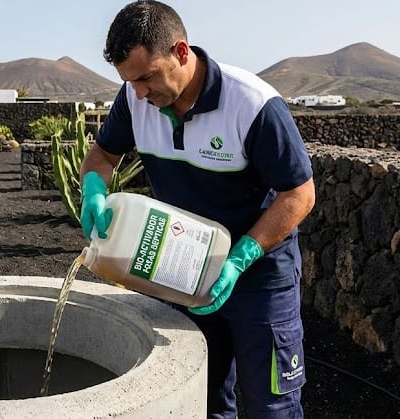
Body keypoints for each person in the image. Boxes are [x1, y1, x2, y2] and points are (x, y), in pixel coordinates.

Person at [79, 1, 316, 418]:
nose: (138, 92)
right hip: (184, 272)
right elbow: (102, 153)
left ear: (181, 52)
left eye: (146, 77)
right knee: (199, 397)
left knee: (271, 407)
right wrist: (94, 189)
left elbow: (299, 194)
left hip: (258, 277)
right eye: (129, 81)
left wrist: (240, 259)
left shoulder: (252, 105)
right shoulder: (136, 99)